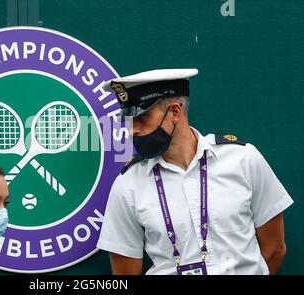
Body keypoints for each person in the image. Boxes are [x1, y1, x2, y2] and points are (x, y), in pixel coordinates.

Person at [97, 68, 293, 275]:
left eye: (142, 118)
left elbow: (275, 249)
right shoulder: (128, 185)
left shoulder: (243, 159)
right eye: (128, 121)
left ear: (175, 112)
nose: (131, 130)